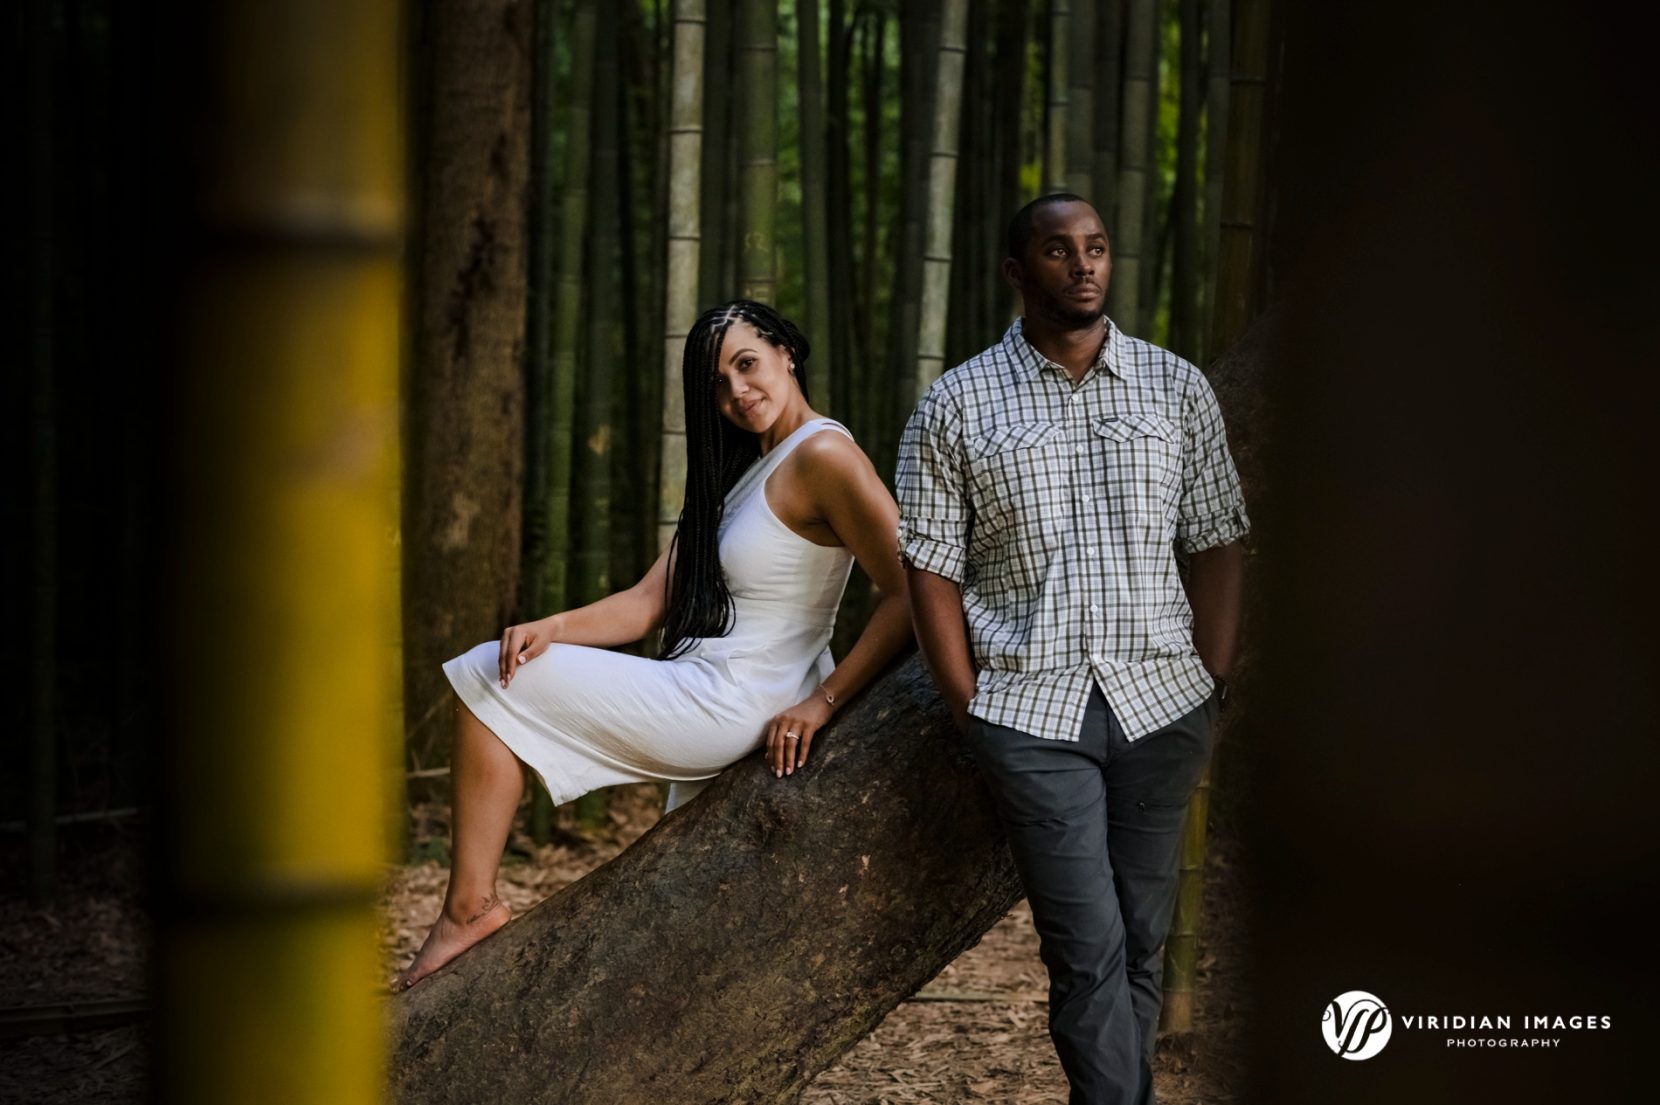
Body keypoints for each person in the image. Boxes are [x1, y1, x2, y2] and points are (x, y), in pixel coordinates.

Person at [393, 299, 913, 993]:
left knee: (492, 676)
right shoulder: (749, 470)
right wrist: (553, 626)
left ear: (787, 351)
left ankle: (469, 908)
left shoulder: (824, 455)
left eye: (747, 363)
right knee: (697, 933)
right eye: (717, 385)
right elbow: (646, 602)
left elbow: (910, 590)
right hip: (708, 684)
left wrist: (822, 703)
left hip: (737, 698)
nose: (736, 391)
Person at [895, 194, 1248, 1105]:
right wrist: (966, 698)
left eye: (1095, 247)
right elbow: (928, 566)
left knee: (1140, 937)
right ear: (1019, 272)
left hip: (1163, 701)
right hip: (1029, 711)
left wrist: (1210, 674)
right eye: (1058, 251)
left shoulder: (1175, 387)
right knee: (1086, 947)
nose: (1083, 265)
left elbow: (1215, 534)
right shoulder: (959, 402)